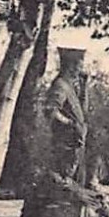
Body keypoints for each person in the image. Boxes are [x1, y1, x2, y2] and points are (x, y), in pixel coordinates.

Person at [44, 47, 88, 182]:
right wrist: (70, 124)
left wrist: (84, 87)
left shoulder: (71, 87)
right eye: (78, 66)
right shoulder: (60, 86)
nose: (80, 70)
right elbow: (50, 110)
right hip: (65, 144)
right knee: (64, 182)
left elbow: (83, 111)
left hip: (75, 143)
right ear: (70, 66)